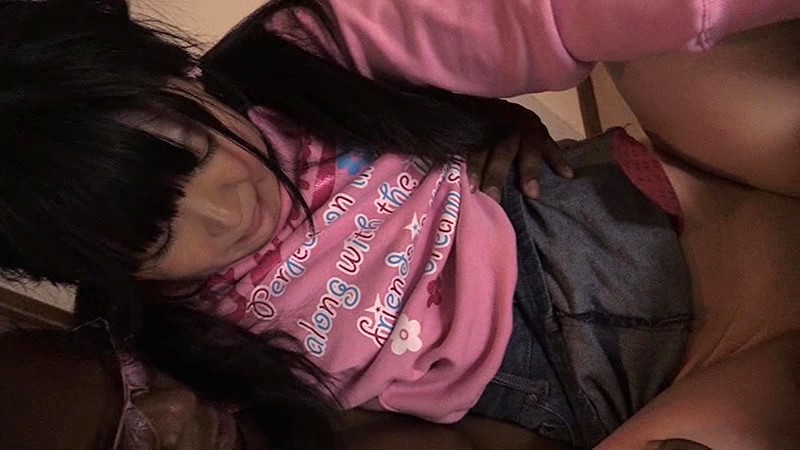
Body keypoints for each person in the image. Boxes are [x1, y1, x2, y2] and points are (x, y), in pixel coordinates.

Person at [1, 0, 797, 448]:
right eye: (157, 238)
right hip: (580, 399)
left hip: (597, 226)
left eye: (196, 149)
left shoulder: (299, 58)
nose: (230, 210)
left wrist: (491, 120)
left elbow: (539, 17)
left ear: (181, 79)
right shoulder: (182, 352)